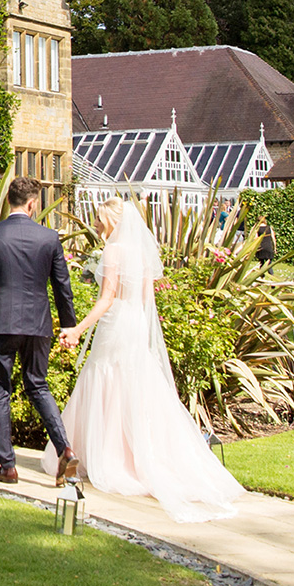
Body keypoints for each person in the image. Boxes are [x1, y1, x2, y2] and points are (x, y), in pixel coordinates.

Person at [48, 198, 246, 523]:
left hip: (115, 324)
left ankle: (108, 458)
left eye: (99, 220)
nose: (97, 226)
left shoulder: (113, 251)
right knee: (134, 384)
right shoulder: (139, 252)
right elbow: (143, 299)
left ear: (111, 221)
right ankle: (136, 456)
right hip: (136, 323)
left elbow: (107, 299)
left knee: (106, 380)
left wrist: (78, 329)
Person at [0, 175, 78, 487]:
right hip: (38, 323)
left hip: (1, 322)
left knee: (0, 391)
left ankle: (8, 466)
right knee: (38, 385)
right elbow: (62, 288)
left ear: (9, 201)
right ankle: (65, 450)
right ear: (33, 204)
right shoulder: (49, 238)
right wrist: (69, 325)